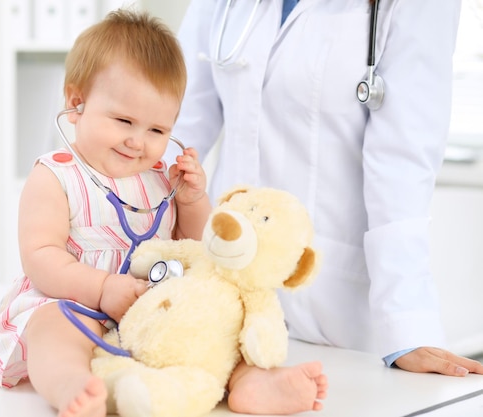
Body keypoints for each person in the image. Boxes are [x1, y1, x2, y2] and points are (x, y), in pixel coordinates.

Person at [0, 9, 326, 417]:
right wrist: (102, 288)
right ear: (76, 104)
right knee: (55, 333)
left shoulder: (164, 180)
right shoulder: (56, 176)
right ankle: (73, 385)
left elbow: (198, 248)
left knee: (219, 321)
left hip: (158, 315)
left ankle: (250, 383)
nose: (138, 142)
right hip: (77, 303)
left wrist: (193, 199)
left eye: (158, 130)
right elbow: (40, 258)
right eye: (124, 120)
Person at [170, 0, 483, 414]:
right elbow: (174, 123)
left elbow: (401, 161)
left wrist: (408, 325)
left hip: (336, 305)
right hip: (226, 286)